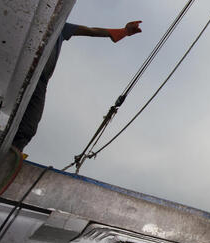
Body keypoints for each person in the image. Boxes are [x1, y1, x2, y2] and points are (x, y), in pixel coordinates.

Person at [13, 21, 142, 151]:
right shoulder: (33, 23)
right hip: (22, 68)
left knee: (29, 126)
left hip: (40, 81)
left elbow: (92, 31)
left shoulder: (61, 26)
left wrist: (124, 32)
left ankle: (13, 153)